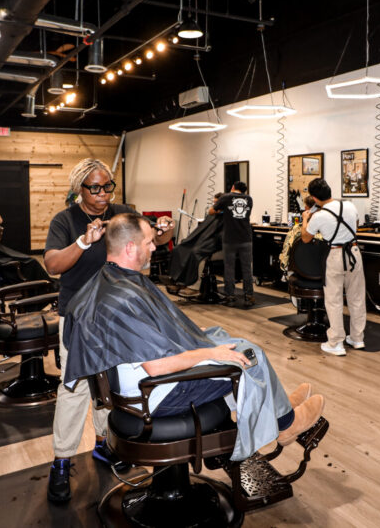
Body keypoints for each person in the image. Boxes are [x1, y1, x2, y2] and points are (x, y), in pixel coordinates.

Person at [62, 213, 326, 461]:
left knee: (219, 336)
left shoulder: (109, 282)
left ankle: (275, 407)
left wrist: (194, 339)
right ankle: (285, 426)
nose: (154, 248)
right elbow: (155, 365)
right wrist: (211, 354)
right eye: (149, 243)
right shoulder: (123, 297)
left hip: (136, 383)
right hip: (156, 391)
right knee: (249, 354)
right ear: (130, 248)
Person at [43, 158, 174, 503]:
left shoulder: (122, 213)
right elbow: (53, 264)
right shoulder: (65, 220)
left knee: (110, 382)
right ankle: (61, 460)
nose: (103, 194)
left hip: (118, 314)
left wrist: (164, 229)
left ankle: (104, 443)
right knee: (74, 390)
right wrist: (84, 242)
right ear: (79, 189)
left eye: (108, 186)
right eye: (95, 188)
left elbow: (152, 243)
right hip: (78, 316)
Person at [301, 178, 366, 357]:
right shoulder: (350, 206)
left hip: (335, 254)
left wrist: (305, 219)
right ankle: (357, 338)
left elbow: (306, 238)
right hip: (354, 253)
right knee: (357, 297)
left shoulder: (319, 216)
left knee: (334, 299)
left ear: (314, 198)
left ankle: (336, 343)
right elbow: (356, 226)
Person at [207, 181, 254, 307]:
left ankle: (230, 296)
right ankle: (249, 296)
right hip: (246, 239)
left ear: (232, 187)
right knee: (246, 268)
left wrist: (220, 211)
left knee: (229, 268)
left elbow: (211, 211)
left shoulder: (226, 197)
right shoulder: (249, 199)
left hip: (230, 239)